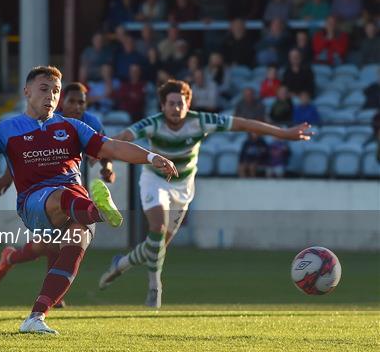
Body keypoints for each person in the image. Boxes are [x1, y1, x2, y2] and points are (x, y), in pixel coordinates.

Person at [0, 66, 178, 334]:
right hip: (35, 203)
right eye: (44, 89)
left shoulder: (72, 127)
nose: (51, 96)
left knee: (74, 245)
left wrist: (152, 157)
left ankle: (36, 317)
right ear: (27, 91)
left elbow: (113, 147)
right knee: (63, 197)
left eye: (56, 91)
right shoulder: (8, 129)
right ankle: (97, 211)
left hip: (75, 206)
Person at [98, 79, 312, 308]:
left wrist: (283, 133)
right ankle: (154, 286)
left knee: (157, 246)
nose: (176, 108)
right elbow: (118, 141)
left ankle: (122, 264)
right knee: (157, 229)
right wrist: (107, 164)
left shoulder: (200, 121)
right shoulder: (152, 124)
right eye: (171, 104)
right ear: (162, 105)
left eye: (180, 103)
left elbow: (244, 124)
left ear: (188, 103)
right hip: (155, 181)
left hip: (183, 187)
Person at [0, 82, 116, 309]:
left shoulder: (90, 122)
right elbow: (24, 154)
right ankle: (13, 260)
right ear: (62, 102)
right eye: (72, 101)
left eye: (81, 102)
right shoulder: (46, 121)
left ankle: (21, 268)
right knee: (48, 245)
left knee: (55, 244)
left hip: (73, 190)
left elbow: (104, 147)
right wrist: (8, 178)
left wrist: (107, 167)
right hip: (44, 193)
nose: (77, 106)